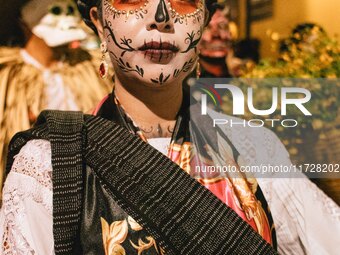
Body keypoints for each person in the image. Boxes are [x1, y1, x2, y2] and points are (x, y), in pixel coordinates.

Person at [0, 0, 339, 254]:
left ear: (203, 19)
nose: (160, 16)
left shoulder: (253, 147)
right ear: (100, 22)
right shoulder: (48, 165)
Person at [0, 0, 112, 193]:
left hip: (88, 185)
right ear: (24, 19)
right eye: (55, 10)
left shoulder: (90, 68)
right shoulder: (7, 77)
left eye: (70, 9)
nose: (67, 17)